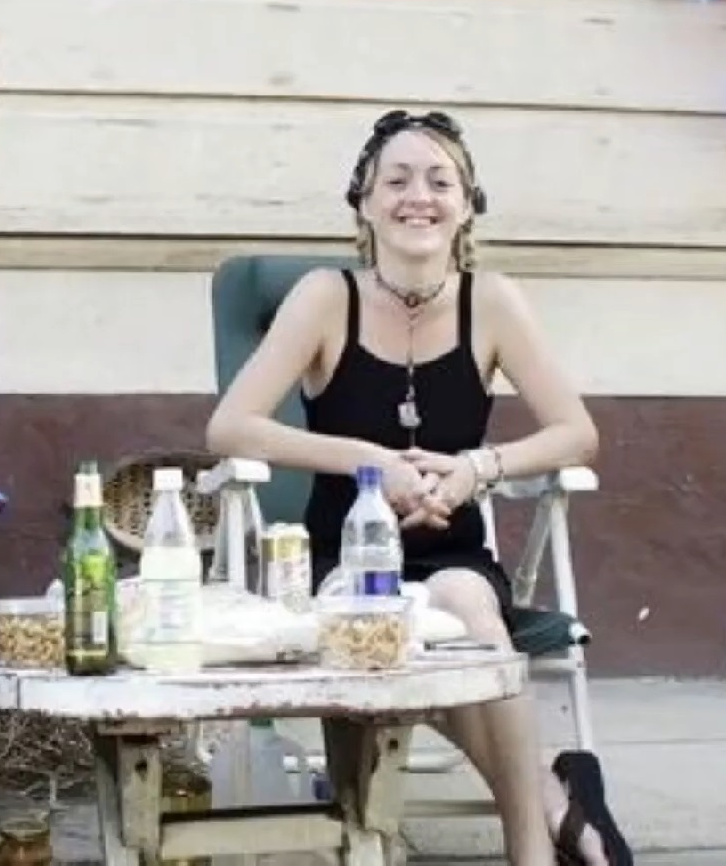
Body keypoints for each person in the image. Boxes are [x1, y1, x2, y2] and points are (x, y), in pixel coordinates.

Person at [206, 110, 630, 865]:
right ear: (364, 204)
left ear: (467, 204)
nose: (418, 196)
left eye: (441, 181)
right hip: (348, 568)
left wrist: (477, 468)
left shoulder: (490, 301)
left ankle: (526, 850)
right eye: (395, 180)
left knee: (465, 602)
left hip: (454, 557)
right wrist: (373, 461)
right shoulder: (323, 297)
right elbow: (231, 426)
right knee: (416, 623)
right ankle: (554, 799)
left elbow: (576, 430)